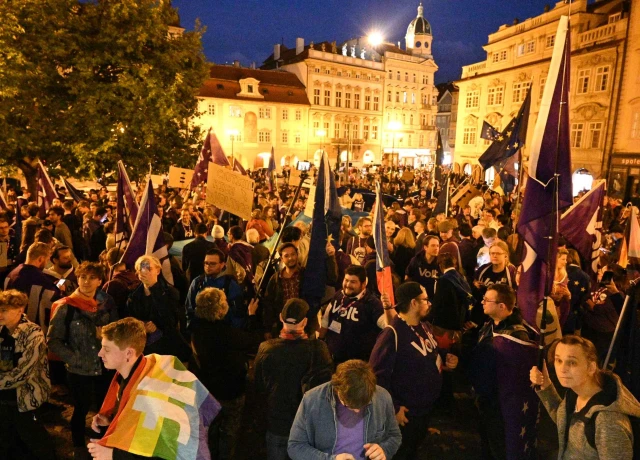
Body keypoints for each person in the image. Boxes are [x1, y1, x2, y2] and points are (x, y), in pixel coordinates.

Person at [89, 317, 220, 460]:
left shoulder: (150, 398)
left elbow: (165, 452)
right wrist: (112, 420)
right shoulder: (146, 366)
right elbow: (140, 423)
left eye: (106, 349)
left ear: (128, 353)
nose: (100, 353)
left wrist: (113, 455)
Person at [369, 282, 458, 460]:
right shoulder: (392, 334)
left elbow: (431, 353)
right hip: (406, 414)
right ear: (413, 303)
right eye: (425, 299)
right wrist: (393, 408)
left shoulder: (423, 326)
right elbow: (376, 376)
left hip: (423, 410)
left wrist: (447, 358)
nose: (429, 303)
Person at [47, 261, 118, 458]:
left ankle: (104, 443)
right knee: (81, 409)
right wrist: (75, 358)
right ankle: (79, 446)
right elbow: (53, 341)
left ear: (99, 281)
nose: (86, 282)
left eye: (91, 277)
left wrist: (107, 336)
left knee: (105, 408)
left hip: (105, 367)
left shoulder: (107, 303)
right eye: (82, 277)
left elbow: (117, 329)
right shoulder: (66, 307)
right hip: (79, 370)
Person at [531, 335, 640, 460]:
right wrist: (545, 384)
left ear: (591, 367)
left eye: (572, 362)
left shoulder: (607, 421)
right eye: (558, 360)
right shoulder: (576, 392)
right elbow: (565, 420)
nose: (562, 369)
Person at [254, 298, 334, 460]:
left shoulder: (266, 349)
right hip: (306, 427)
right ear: (304, 322)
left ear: (280, 318)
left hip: (277, 424)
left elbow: (258, 389)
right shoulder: (319, 350)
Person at [190, 288, 262, 460]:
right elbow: (252, 340)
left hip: (207, 390)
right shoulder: (229, 334)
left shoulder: (197, 331)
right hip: (231, 391)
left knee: (209, 430)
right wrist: (251, 316)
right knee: (230, 431)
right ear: (221, 309)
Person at [468, 284, 537, 460]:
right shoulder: (489, 325)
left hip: (499, 403)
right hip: (484, 398)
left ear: (502, 306)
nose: (482, 302)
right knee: (487, 442)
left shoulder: (517, 336)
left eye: (487, 300)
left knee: (499, 445)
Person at [288, 359, 402, 460]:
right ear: (337, 389)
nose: (357, 411)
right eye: (348, 406)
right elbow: (295, 446)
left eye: (364, 405)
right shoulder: (312, 400)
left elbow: (394, 436)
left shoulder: (382, 397)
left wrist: (384, 450)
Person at [0, 289, 56, 460]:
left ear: (19, 310)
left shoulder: (33, 332)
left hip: (25, 397)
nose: (0, 314)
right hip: (4, 397)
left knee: (36, 440)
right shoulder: (2, 330)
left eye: (4, 310)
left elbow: (24, 371)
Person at [263, 242, 337, 337]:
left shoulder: (307, 275)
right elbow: (268, 304)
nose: (291, 258)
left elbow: (331, 279)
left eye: (293, 254)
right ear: (281, 259)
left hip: (306, 327)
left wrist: (331, 257)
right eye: (286, 256)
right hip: (283, 328)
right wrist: (268, 329)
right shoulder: (275, 279)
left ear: (297, 254)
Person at [125, 255, 190, 362]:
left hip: (168, 348)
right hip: (146, 350)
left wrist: (156, 327)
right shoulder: (133, 296)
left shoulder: (170, 293)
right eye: (141, 269)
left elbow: (172, 320)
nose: (144, 272)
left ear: (158, 271)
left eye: (148, 269)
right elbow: (130, 320)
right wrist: (142, 326)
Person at [320, 265, 388, 365]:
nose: (348, 285)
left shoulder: (372, 303)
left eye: (353, 282)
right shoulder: (339, 295)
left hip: (356, 364)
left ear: (363, 284)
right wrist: (320, 342)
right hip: (332, 358)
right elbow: (326, 320)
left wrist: (388, 308)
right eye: (346, 280)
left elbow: (388, 326)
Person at [4, 242, 59, 334]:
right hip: (31, 331)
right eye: (47, 259)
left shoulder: (11, 274)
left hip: (9, 327)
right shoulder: (43, 281)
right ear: (41, 259)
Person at [405, 235, 440, 299]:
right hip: (418, 296)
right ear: (425, 247)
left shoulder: (440, 262)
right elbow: (408, 276)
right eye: (433, 245)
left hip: (434, 297)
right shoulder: (416, 260)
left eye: (437, 246)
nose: (436, 248)